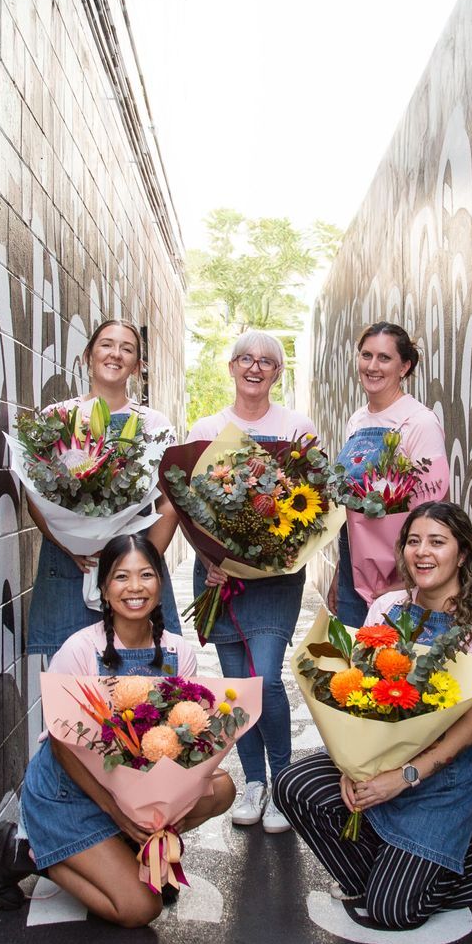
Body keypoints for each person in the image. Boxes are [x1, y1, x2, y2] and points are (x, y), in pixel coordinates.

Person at [275, 501, 472, 930]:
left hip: (439, 779)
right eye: (413, 541)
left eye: (437, 542)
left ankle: (469, 860)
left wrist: (403, 777)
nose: (423, 552)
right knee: (293, 786)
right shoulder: (385, 608)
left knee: (391, 913)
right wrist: (352, 764)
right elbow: (355, 688)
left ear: (462, 554)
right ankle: (390, 869)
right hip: (376, 764)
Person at [0, 534, 236, 925]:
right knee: (140, 910)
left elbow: (183, 742)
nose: (134, 588)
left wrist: (156, 808)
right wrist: (118, 814)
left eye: (146, 576)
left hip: (135, 790)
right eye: (121, 577)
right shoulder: (79, 649)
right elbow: (61, 744)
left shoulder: (177, 653)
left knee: (222, 787)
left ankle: (145, 845)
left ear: (160, 585)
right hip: (73, 793)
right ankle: (30, 853)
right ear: (103, 589)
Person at [184, 331, 320, 833]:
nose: (255, 368)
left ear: (278, 373)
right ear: (232, 366)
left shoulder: (296, 425)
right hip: (221, 578)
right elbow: (188, 506)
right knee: (238, 689)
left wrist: (286, 549)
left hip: (277, 578)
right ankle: (254, 784)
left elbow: (315, 499)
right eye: (246, 359)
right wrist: (208, 558)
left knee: (264, 676)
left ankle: (284, 785)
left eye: (267, 361)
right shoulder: (207, 426)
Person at [22, 317, 181, 661]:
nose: (115, 354)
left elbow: (169, 503)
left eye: (127, 349)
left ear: (137, 366)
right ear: (87, 356)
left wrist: (140, 560)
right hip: (70, 565)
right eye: (106, 345)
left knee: (146, 683)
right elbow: (33, 492)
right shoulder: (57, 417)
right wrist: (68, 544)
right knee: (72, 684)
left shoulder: (154, 425)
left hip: (134, 571)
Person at [331, 322, 447, 626]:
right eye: (366, 355)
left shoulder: (419, 421)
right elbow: (351, 511)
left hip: (401, 571)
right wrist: (340, 572)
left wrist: (408, 579)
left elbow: (431, 510)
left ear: (404, 366)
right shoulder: (357, 420)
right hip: (354, 568)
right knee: (353, 665)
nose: (372, 366)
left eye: (384, 358)